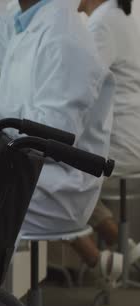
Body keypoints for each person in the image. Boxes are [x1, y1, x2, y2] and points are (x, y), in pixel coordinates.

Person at [0, 0, 120, 282]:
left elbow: (52, 136)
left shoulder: (64, 35)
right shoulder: (30, 22)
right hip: (34, 167)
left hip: (58, 184)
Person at [77, 0, 140, 273]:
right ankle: (128, 253)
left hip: (120, 142)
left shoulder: (101, 23)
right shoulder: (122, 16)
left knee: (49, 175)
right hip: (130, 133)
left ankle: (101, 262)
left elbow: (82, 87)